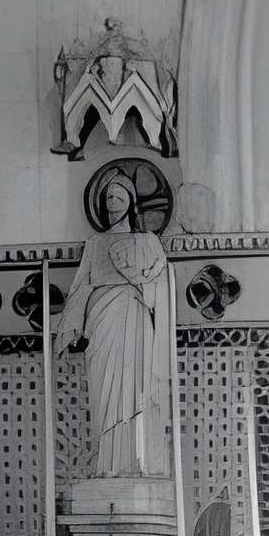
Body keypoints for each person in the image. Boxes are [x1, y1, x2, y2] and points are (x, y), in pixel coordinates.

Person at [58, 173, 175, 478]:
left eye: (119, 196)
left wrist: (140, 286)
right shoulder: (95, 243)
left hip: (133, 319)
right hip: (101, 321)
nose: (113, 202)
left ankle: (136, 462)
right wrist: (70, 328)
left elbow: (160, 289)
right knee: (103, 396)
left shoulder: (148, 242)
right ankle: (105, 464)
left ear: (131, 202)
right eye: (109, 197)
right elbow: (81, 289)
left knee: (135, 389)